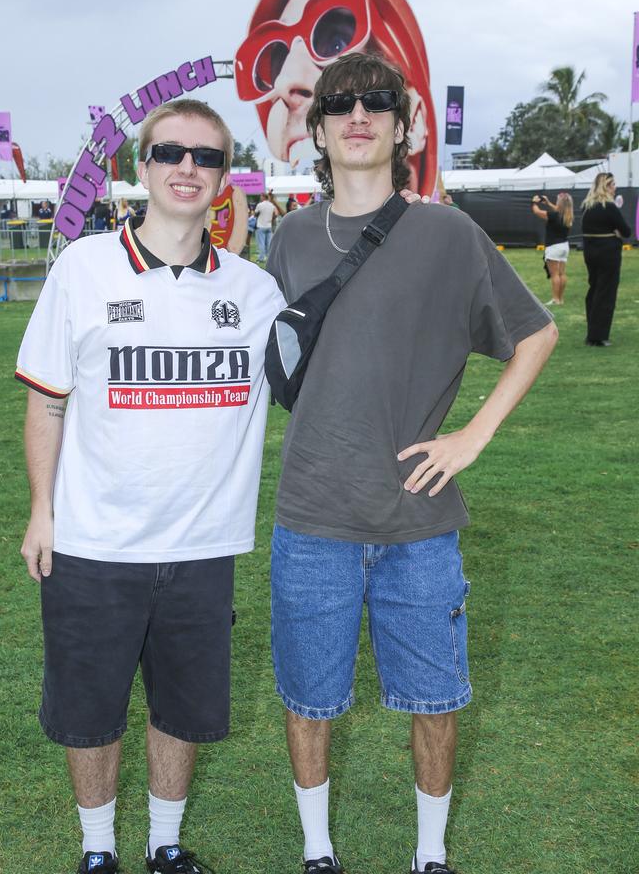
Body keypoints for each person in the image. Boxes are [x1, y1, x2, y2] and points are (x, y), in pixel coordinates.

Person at [265, 52, 558, 874]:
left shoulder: (449, 234)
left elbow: (535, 333)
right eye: (341, 104)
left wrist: (474, 437)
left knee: (435, 703)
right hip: (312, 515)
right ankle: (317, 853)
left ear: (402, 126)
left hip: (419, 523)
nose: (358, 115)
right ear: (318, 128)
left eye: (376, 103)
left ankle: (431, 857)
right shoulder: (289, 236)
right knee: (309, 701)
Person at [16, 99, 285, 874]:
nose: (187, 169)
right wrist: (42, 508)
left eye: (205, 157)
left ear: (223, 177)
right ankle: (98, 851)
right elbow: (47, 396)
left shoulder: (255, 292)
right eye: (170, 153)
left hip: (203, 546)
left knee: (184, 711)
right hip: (94, 538)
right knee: (90, 713)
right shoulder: (84, 267)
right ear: (143, 167)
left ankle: (165, 843)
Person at [235, 0, 437, 198]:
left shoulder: (447, 232)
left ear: (413, 122)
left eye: (335, 42)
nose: (285, 81)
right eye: (277, 61)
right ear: (319, 132)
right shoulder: (292, 232)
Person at [580, 172, 631, 346]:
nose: (615, 187)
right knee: (606, 293)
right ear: (607, 186)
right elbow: (626, 231)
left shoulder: (587, 207)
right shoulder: (609, 207)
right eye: (613, 184)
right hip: (608, 253)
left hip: (590, 253)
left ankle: (592, 332)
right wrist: (616, 233)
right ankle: (598, 336)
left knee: (594, 289)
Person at [532, 192, 573, 305]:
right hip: (564, 246)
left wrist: (534, 202)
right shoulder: (568, 215)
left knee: (555, 274)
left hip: (554, 246)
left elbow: (537, 212)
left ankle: (555, 299)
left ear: (560, 203)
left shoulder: (554, 216)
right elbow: (558, 209)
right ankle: (560, 298)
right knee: (561, 274)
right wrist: (548, 203)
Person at [253, 190, 282, 262]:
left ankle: (261, 258)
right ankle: (269, 258)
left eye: (261, 196)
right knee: (269, 244)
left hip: (261, 225)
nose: (260, 198)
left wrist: (258, 214)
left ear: (263, 197)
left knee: (261, 243)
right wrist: (272, 219)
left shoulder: (260, 205)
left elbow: (255, 214)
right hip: (269, 225)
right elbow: (276, 214)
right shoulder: (271, 205)